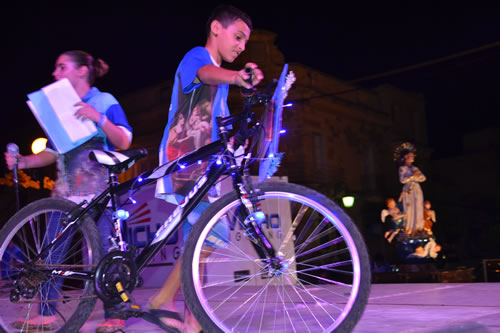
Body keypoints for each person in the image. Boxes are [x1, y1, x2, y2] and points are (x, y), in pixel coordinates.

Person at [152, 5, 263, 333]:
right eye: (238, 37)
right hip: (185, 159)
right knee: (206, 236)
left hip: (204, 163)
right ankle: (187, 316)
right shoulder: (197, 56)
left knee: (205, 238)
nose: (242, 46)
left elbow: (219, 120)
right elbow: (204, 73)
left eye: (245, 41)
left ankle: (170, 303)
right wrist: (236, 76)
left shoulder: (221, 80)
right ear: (216, 28)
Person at [4, 50, 132, 333]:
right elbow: (51, 152)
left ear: (82, 71)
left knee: (105, 256)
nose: (55, 73)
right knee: (50, 257)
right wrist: (24, 161)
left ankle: (115, 314)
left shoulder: (103, 100)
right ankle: (46, 313)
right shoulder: (59, 108)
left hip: (99, 195)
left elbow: (124, 138)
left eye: (61, 67)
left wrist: (98, 117)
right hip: (63, 197)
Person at [393, 142, 426, 235]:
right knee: (410, 207)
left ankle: (419, 228)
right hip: (408, 189)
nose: (412, 157)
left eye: (412, 156)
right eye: (410, 156)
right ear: (406, 157)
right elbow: (402, 180)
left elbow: (423, 178)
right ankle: (410, 228)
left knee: (418, 206)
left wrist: (416, 175)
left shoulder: (415, 168)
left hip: (416, 188)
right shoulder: (402, 168)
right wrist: (412, 176)